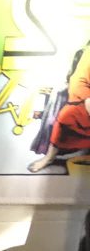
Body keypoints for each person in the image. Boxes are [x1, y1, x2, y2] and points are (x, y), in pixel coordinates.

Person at [28, 40, 90, 172]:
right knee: (65, 118)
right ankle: (49, 157)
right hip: (79, 100)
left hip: (80, 98)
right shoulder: (84, 55)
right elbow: (79, 82)